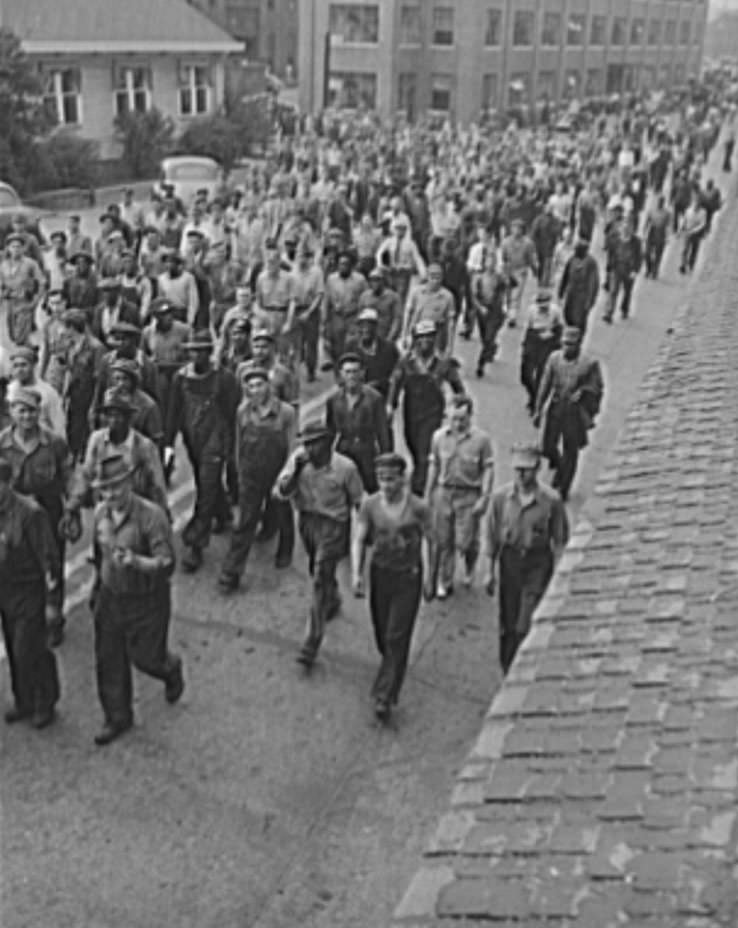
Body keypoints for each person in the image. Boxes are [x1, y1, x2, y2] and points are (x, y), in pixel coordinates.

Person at [89, 452, 184, 746]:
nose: (111, 494)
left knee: (145, 657)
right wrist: (97, 587)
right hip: (111, 596)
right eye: (105, 488)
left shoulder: (150, 516)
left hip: (147, 600)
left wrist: (136, 561)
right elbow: (98, 553)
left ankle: (169, 669)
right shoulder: (101, 514)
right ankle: (118, 717)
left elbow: (167, 562)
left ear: (129, 483)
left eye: (117, 486)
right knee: (109, 658)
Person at [351, 452, 435, 722]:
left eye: (391, 479)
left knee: (397, 636)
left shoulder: (418, 507)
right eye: (381, 479)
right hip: (381, 574)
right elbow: (360, 537)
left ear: (403, 478)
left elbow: (430, 541)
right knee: (382, 632)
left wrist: (430, 577)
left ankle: (385, 695)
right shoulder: (371, 506)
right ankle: (390, 666)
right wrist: (356, 574)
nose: (386, 485)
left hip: (408, 577)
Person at [277, 421, 363, 670]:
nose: (310, 450)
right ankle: (333, 597)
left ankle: (311, 644)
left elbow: (359, 502)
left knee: (319, 580)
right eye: (306, 444)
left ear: (328, 444)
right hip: (307, 521)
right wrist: (295, 472)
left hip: (334, 525)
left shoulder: (345, 468)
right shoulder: (299, 460)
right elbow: (282, 491)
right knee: (319, 573)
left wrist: (362, 539)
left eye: (315, 444)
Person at [485, 443, 568, 674]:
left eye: (527, 469)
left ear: (538, 468)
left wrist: (559, 577)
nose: (522, 475)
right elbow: (492, 535)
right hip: (510, 561)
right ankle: (508, 669)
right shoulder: (501, 498)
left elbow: (560, 540)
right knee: (508, 622)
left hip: (537, 563)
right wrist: (489, 571)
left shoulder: (551, 501)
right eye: (517, 469)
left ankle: (523, 669)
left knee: (525, 623)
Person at [217, 363, 297, 592]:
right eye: (250, 386)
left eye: (260, 384)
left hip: (278, 472)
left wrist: (286, 477)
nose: (255, 390)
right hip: (250, 475)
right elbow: (238, 444)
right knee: (244, 523)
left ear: (269, 386)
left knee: (282, 512)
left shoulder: (286, 413)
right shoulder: (243, 411)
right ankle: (231, 571)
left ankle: (285, 548)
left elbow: (293, 446)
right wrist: (239, 472)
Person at [165, 330, 239, 573]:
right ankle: (224, 512)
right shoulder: (181, 378)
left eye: (201, 351)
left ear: (209, 353)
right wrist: (168, 445)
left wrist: (232, 449)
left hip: (216, 440)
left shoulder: (224, 378)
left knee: (206, 488)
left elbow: (233, 414)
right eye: (193, 351)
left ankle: (196, 542)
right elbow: (173, 412)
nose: (197, 355)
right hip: (192, 439)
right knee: (205, 482)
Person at [0, 454, 61, 729]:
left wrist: (51, 604)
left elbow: (49, 560)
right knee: (13, 646)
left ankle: (45, 699)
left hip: (29, 589)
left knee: (29, 647)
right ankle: (24, 699)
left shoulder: (30, 513)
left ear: (7, 483)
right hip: (5, 588)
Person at [425, 395, 494, 599]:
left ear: (470, 416)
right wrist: (428, 494)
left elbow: (488, 468)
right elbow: (434, 465)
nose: (457, 423)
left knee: (466, 541)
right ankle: (444, 581)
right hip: (444, 492)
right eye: (453, 418)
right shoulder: (438, 437)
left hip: (468, 494)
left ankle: (470, 564)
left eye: (462, 418)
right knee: (443, 539)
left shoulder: (481, 440)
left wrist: (485, 497)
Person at [388, 320, 465, 496]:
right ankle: (422, 473)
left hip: (432, 413)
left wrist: (460, 406)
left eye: (429, 337)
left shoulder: (443, 363)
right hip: (411, 411)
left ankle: (419, 491)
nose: (425, 342)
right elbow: (395, 382)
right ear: (415, 340)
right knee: (413, 446)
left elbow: (458, 387)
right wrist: (390, 405)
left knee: (424, 451)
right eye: (421, 338)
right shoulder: (406, 361)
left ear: (435, 339)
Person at [65, 387, 168, 517]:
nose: (113, 420)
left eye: (118, 415)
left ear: (128, 419)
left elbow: (157, 485)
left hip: (136, 508)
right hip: (105, 505)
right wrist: (73, 505)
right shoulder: (97, 439)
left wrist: (162, 513)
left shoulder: (144, 446)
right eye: (109, 415)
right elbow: (86, 474)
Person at [533, 326, 604, 502]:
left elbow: (597, 387)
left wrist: (584, 391)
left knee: (570, 450)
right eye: (565, 343)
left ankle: (564, 487)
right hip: (556, 407)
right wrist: (538, 409)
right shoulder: (554, 359)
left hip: (574, 411)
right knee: (548, 446)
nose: (567, 348)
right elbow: (545, 383)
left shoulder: (588, 363)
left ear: (579, 345)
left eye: (571, 344)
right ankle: (558, 465)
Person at [326, 353, 392, 493]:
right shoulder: (333, 400)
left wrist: (386, 460)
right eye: (347, 372)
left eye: (355, 371)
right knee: (342, 492)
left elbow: (383, 432)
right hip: (343, 451)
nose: (351, 376)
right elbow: (329, 431)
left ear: (363, 373)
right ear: (341, 374)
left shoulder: (374, 398)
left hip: (367, 451)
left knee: (373, 491)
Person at [520, 289, 563, 415]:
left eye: (545, 305)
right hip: (534, 339)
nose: (543, 308)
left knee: (541, 374)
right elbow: (528, 328)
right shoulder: (532, 311)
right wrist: (526, 346)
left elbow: (559, 328)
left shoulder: (555, 311)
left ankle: (535, 404)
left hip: (547, 343)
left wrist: (553, 336)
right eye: (540, 305)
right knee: (525, 375)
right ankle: (533, 395)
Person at [8, 345, 66, 437]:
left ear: (33, 366)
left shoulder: (48, 393)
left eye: (23, 365)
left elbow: (59, 426)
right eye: (16, 366)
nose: (19, 370)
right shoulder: (9, 391)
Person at [0, 232, 45, 347]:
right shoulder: (4, 265)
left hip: (25, 303)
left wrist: (35, 302)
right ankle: (31, 348)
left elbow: (42, 282)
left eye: (19, 246)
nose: (16, 249)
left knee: (20, 336)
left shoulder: (30, 263)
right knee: (12, 335)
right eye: (13, 246)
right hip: (10, 303)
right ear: (8, 248)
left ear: (23, 248)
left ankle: (23, 353)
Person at [323, 250, 366, 370]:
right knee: (337, 349)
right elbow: (326, 300)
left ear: (351, 265)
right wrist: (324, 321)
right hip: (337, 317)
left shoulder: (360, 280)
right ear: (337, 265)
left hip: (353, 317)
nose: (343, 266)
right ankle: (339, 376)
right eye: (341, 264)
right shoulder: (331, 279)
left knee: (352, 347)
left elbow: (365, 299)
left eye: (346, 264)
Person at [344, 307, 400, 399]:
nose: (365, 330)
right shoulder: (351, 347)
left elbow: (394, 378)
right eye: (361, 326)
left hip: (381, 398)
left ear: (376, 327)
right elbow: (343, 374)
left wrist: (376, 385)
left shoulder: (389, 348)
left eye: (369, 326)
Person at [403, 263, 456, 355]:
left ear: (442, 278)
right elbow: (408, 313)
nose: (435, 281)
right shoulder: (417, 292)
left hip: (437, 336)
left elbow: (450, 323)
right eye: (432, 277)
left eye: (438, 277)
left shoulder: (448, 296)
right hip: (418, 333)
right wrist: (404, 335)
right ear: (427, 276)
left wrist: (449, 345)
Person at [473, 249, 507, 378]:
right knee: (484, 338)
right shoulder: (479, 278)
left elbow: (506, 292)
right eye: (488, 260)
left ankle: (480, 365)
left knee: (488, 336)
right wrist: (480, 307)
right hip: (482, 311)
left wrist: (505, 307)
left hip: (495, 311)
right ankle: (492, 347)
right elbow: (474, 296)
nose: (491, 263)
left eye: (493, 261)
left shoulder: (499, 278)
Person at [604, 216, 643, 324]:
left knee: (627, 292)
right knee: (613, 291)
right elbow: (611, 253)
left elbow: (639, 257)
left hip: (629, 270)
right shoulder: (616, 238)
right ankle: (609, 313)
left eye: (628, 227)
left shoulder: (636, 242)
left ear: (632, 228)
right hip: (617, 268)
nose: (626, 229)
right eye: (624, 226)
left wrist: (635, 271)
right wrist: (609, 267)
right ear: (621, 227)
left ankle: (624, 309)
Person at [558, 236, 600, 333]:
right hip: (571, 293)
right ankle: (570, 336)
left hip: (583, 296)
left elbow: (593, 283)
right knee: (567, 315)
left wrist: (590, 301)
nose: (575, 251)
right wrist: (561, 292)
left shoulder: (591, 263)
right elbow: (565, 276)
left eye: (578, 249)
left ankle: (578, 340)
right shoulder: (572, 259)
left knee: (579, 320)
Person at [501, 219, 538, 328]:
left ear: (523, 230)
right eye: (514, 228)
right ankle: (508, 312)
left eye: (518, 228)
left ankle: (512, 317)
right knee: (507, 295)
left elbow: (531, 258)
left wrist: (534, 270)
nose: (516, 231)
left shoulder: (528, 243)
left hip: (521, 271)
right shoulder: (506, 242)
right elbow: (503, 258)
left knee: (516, 295)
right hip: (508, 271)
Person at [358, 267, 403, 343]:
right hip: (368, 337)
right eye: (372, 280)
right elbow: (359, 318)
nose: (374, 283)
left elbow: (397, 319)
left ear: (383, 281)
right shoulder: (364, 296)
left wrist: (390, 338)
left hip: (386, 336)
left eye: (377, 280)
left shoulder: (393, 297)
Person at [643, 195, 670, 280]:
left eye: (661, 202)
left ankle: (655, 271)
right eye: (659, 201)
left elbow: (669, 226)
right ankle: (649, 268)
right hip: (651, 232)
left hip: (661, 233)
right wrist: (644, 233)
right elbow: (646, 222)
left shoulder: (667, 213)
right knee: (647, 253)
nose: (660, 203)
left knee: (658, 255)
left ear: (663, 203)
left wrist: (667, 237)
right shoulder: (651, 211)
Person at [679, 195, 707, 276]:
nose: (696, 206)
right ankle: (683, 265)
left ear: (699, 205)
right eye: (695, 204)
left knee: (694, 251)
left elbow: (702, 224)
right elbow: (684, 219)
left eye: (697, 205)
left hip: (696, 235)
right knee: (684, 250)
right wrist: (680, 229)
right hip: (687, 232)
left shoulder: (703, 212)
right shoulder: (688, 210)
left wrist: (695, 230)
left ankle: (691, 265)